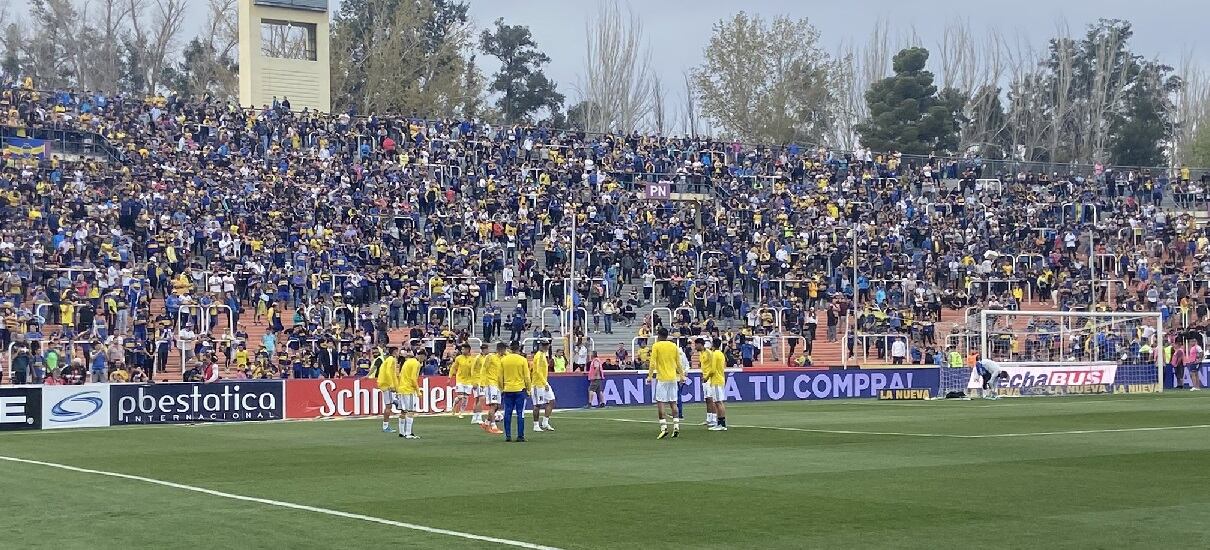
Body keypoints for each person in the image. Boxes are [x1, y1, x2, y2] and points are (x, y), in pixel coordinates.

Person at [647, 328, 686, 439]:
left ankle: (663, 428)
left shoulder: (656, 346)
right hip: (673, 378)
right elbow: (678, 362)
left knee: (661, 402)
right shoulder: (673, 346)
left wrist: (649, 376)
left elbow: (652, 362)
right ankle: (676, 426)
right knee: (673, 403)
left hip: (662, 378)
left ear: (659, 336)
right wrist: (682, 375)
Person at [499, 340, 532, 442]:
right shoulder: (522, 360)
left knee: (507, 412)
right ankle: (520, 435)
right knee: (520, 413)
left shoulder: (504, 360)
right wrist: (529, 389)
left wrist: (501, 388)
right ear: (519, 348)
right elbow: (527, 376)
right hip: (519, 389)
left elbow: (500, 376)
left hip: (508, 389)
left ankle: (508, 435)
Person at [395, 348, 424, 439]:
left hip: (401, 389)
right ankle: (408, 433)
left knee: (403, 411)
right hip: (409, 390)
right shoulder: (416, 363)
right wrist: (418, 391)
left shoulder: (408, 362)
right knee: (410, 411)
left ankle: (401, 432)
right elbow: (413, 378)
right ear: (422, 356)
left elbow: (399, 375)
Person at [480, 342, 505, 434]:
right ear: (500, 349)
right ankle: (493, 426)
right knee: (493, 405)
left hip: (498, 385)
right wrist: (482, 382)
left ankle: (486, 423)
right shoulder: (490, 357)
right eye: (504, 350)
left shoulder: (502, 359)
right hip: (490, 384)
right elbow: (484, 369)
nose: (505, 352)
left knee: (497, 406)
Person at [530, 340, 555, 432]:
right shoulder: (539, 356)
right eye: (544, 345)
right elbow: (537, 371)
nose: (545, 346)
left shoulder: (543, 355)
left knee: (551, 401)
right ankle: (535, 424)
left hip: (543, 382)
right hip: (538, 384)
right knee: (538, 404)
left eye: (546, 345)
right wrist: (545, 383)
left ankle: (545, 422)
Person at [375, 346, 399, 433]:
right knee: (388, 406)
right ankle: (385, 427)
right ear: (395, 352)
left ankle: (395, 401)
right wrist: (391, 385)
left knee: (390, 404)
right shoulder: (391, 360)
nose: (398, 353)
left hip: (386, 384)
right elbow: (388, 372)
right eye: (397, 351)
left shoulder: (389, 359)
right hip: (387, 385)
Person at [451, 343, 475, 418]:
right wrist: (450, 376)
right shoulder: (458, 358)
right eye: (462, 349)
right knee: (460, 396)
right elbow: (453, 367)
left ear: (468, 350)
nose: (462, 350)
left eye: (463, 349)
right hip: (460, 380)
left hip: (469, 381)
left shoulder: (472, 359)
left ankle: (461, 412)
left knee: (465, 397)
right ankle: (454, 406)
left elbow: (474, 370)